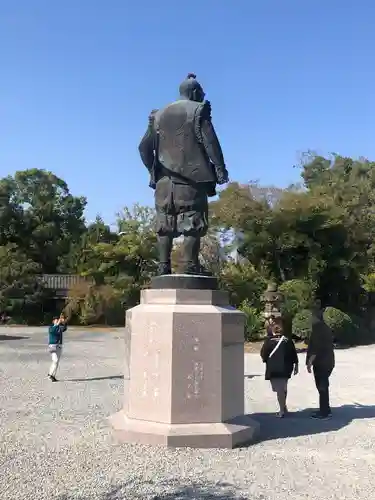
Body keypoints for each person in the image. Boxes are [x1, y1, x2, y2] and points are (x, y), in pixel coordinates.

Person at [138, 73, 229, 275]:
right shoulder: (198, 110)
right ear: (195, 92)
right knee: (192, 221)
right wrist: (220, 168)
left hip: (163, 182)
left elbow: (144, 147)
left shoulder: (158, 115)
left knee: (164, 222)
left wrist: (153, 171)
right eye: (201, 93)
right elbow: (210, 142)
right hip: (192, 179)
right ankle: (189, 265)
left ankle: (163, 266)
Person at [260, 321, 299, 417]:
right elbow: (293, 354)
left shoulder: (268, 341)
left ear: (273, 330)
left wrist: (266, 360)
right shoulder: (287, 340)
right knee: (283, 388)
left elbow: (263, 354)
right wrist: (296, 366)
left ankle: (282, 410)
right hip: (286, 368)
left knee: (280, 390)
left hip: (275, 369)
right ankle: (284, 407)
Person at [306, 302, 335, 419]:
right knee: (323, 385)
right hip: (329, 360)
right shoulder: (326, 327)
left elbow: (316, 348)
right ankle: (325, 409)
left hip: (321, 361)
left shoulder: (317, 328)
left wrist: (309, 362)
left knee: (322, 386)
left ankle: (324, 412)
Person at [48, 314, 67, 382]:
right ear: (53, 321)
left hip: (59, 346)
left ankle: (52, 375)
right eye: (56, 320)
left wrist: (63, 322)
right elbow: (52, 331)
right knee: (55, 360)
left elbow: (64, 328)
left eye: (58, 320)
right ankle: (50, 375)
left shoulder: (59, 327)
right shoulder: (51, 327)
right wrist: (58, 323)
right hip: (53, 346)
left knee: (56, 362)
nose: (57, 321)